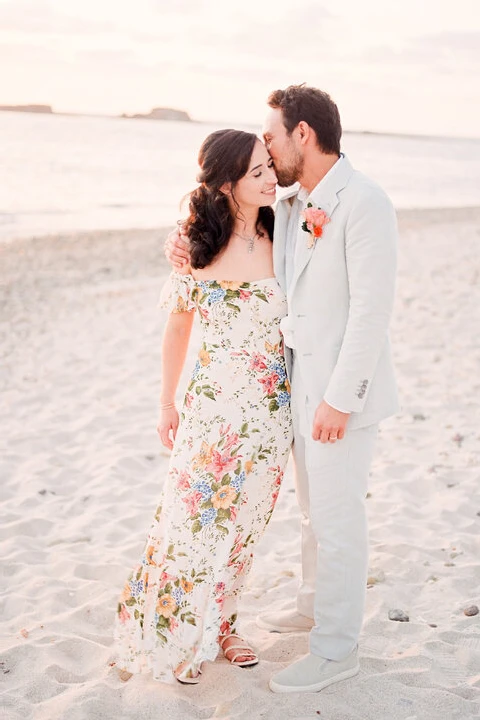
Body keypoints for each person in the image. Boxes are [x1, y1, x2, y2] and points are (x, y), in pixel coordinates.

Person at [165, 84, 399, 693]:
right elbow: (229, 225)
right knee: (310, 514)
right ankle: (313, 604)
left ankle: (335, 648)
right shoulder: (293, 203)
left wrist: (340, 400)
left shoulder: (365, 202)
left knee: (339, 519)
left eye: (270, 136)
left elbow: (373, 312)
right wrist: (181, 243)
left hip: (338, 397)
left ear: (303, 134)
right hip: (294, 390)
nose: (264, 149)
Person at [114, 128, 292, 685]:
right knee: (193, 519)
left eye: (270, 165)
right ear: (225, 183)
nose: (271, 177)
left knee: (244, 523)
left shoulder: (284, 227)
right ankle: (172, 631)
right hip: (212, 409)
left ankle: (223, 627)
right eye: (258, 171)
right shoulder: (194, 242)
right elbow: (178, 329)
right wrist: (165, 403)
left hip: (270, 410)